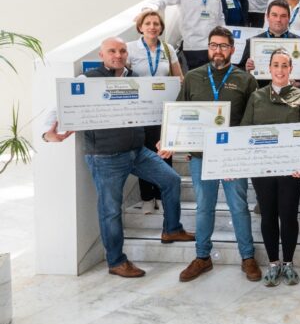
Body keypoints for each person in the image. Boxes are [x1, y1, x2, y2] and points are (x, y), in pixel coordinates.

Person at [42, 37, 193, 278]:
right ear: (101, 55)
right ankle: (116, 261)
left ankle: (172, 229)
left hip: (137, 151)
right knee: (110, 209)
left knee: (171, 180)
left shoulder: (135, 79)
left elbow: (156, 108)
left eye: (122, 51)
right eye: (112, 51)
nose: (118, 55)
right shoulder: (87, 80)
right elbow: (59, 106)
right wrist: (48, 132)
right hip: (105, 157)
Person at [172, 27, 260, 283]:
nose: (218, 50)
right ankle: (202, 256)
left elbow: (251, 119)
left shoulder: (245, 80)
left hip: (232, 155)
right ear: (208, 47)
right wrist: (186, 144)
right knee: (204, 208)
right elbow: (181, 113)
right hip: (202, 156)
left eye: (223, 46)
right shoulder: (192, 77)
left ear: (232, 49)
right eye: (213, 45)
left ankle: (247, 257)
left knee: (239, 207)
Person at [241, 48, 300, 287]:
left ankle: (289, 263)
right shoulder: (256, 96)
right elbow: (245, 132)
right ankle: (273, 263)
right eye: (276, 65)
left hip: (291, 169)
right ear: (269, 68)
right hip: (263, 168)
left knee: (289, 215)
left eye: (285, 65)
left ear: (291, 69)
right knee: (268, 215)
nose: (280, 70)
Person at [127, 11, 183, 214]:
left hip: (163, 112)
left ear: (161, 27)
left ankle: (163, 194)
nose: (152, 27)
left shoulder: (168, 49)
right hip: (140, 111)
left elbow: (179, 78)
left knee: (164, 152)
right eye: (148, 23)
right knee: (143, 154)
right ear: (140, 27)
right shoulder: (130, 49)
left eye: (156, 23)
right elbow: (122, 77)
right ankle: (147, 197)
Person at [239, 0, 300, 93]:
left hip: (291, 93)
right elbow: (241, 72)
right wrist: (247, 69)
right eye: (274, 15)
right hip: (261, 94)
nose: (278, 20)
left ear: (289, 18)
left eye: (283, 16)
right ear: (267, 17)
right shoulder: (253, 43)